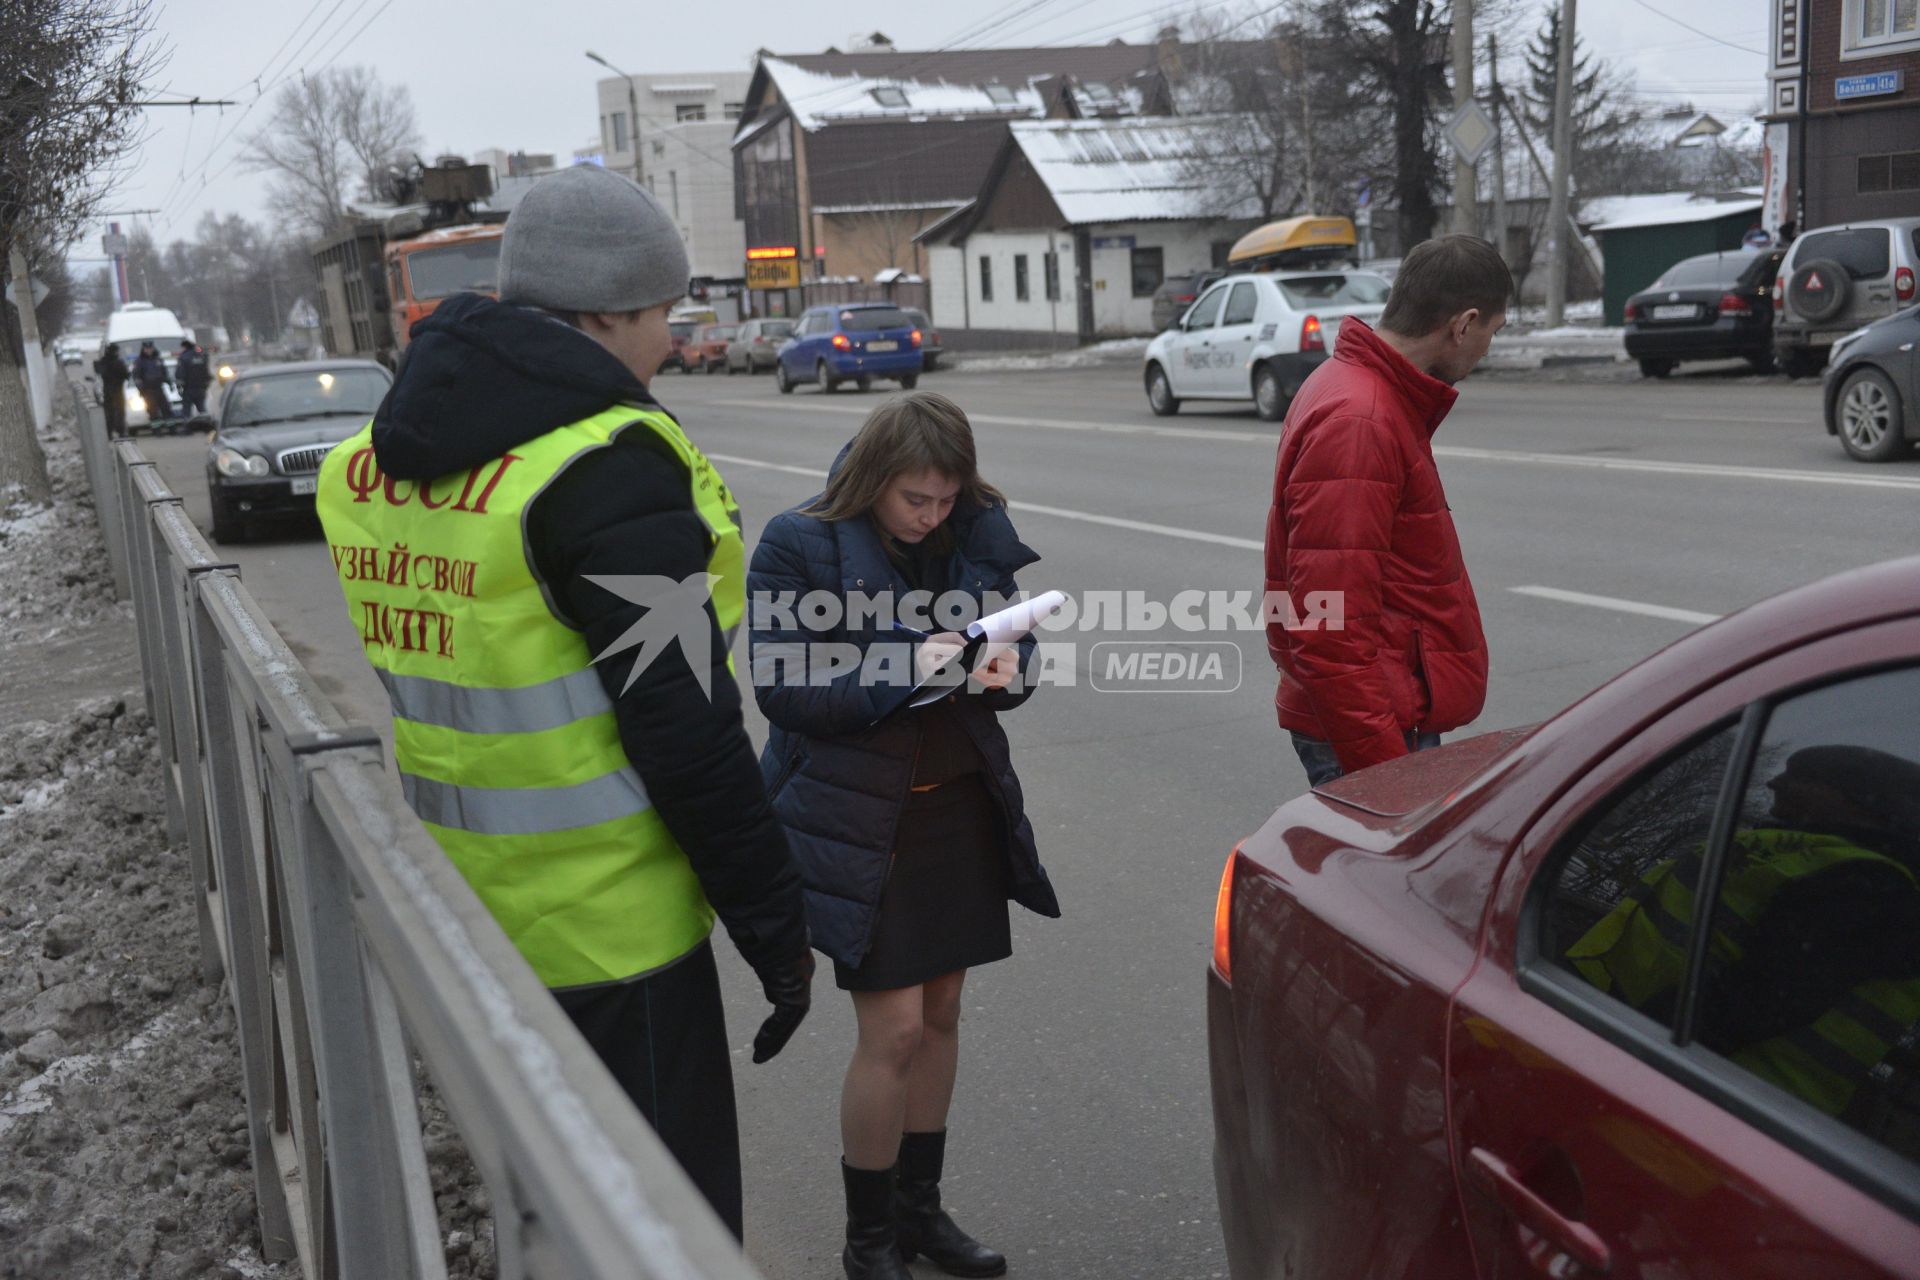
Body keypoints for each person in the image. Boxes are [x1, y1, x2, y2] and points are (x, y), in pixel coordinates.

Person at [313, 164, 813, 1238]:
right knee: (655, 1231)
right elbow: (686, 731)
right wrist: (775, 926)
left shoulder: (367, 463)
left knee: (539, 1206)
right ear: (603, 313)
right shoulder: (606, 469)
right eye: (662, 316)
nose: (673, 343)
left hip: (466, 910)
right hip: (615, 938)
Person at [747, 392, 1061, 1280]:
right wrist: (898, 667)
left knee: (944, 1013)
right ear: (876, 479)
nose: (931, 517)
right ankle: (870, 1235)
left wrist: (1004, 671)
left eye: (945, 499)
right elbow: (783, 687)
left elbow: (1016, 644)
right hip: (860, 818)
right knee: (891, 1032)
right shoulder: (798, 542)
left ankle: (922, 1212)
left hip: (955, 803)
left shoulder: (971, 530)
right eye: (914, 500)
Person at [1263, 234, 1511, 785]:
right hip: (1375, 726)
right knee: (1380, 872)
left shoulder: (1363, 389)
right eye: (1493, 332)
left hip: (1382, 708)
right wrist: (1387, 775)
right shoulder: (1362, 419)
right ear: (1462, 324)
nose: (1487, 349)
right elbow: (1329, 625)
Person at [92, 342, 129, 438]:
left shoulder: (105, 362)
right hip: (115, 390)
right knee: (117, 411)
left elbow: (99, 371)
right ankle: (119, 431)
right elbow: (126, 374)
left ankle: (110, 432)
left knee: (110, 412)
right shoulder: (116, 362)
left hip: (109, 390)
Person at [131, 341, 174, 422]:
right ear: (143, 349)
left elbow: (164, 373)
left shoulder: (157, 359)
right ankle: (156, 430)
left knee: (166, 408)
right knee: (153, 411)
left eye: (150, 348)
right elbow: (136, 376)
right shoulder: (140, 361)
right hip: (148, 390)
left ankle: (171, 428)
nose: (149, 351)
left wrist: (169, 383)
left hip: (159, 388)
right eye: (147, 349)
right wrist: (141, 388)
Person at [176, 337, 213, 416]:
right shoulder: (201, 356)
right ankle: (205, 425)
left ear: (185, 347)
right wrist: (206, 385)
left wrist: (179, 388)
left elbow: (180, 374)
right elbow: (206, 373)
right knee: (202, 409)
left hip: (189, 389)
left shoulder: (184, 358)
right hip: (201, 388)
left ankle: (188, 426)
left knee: (186, 411)